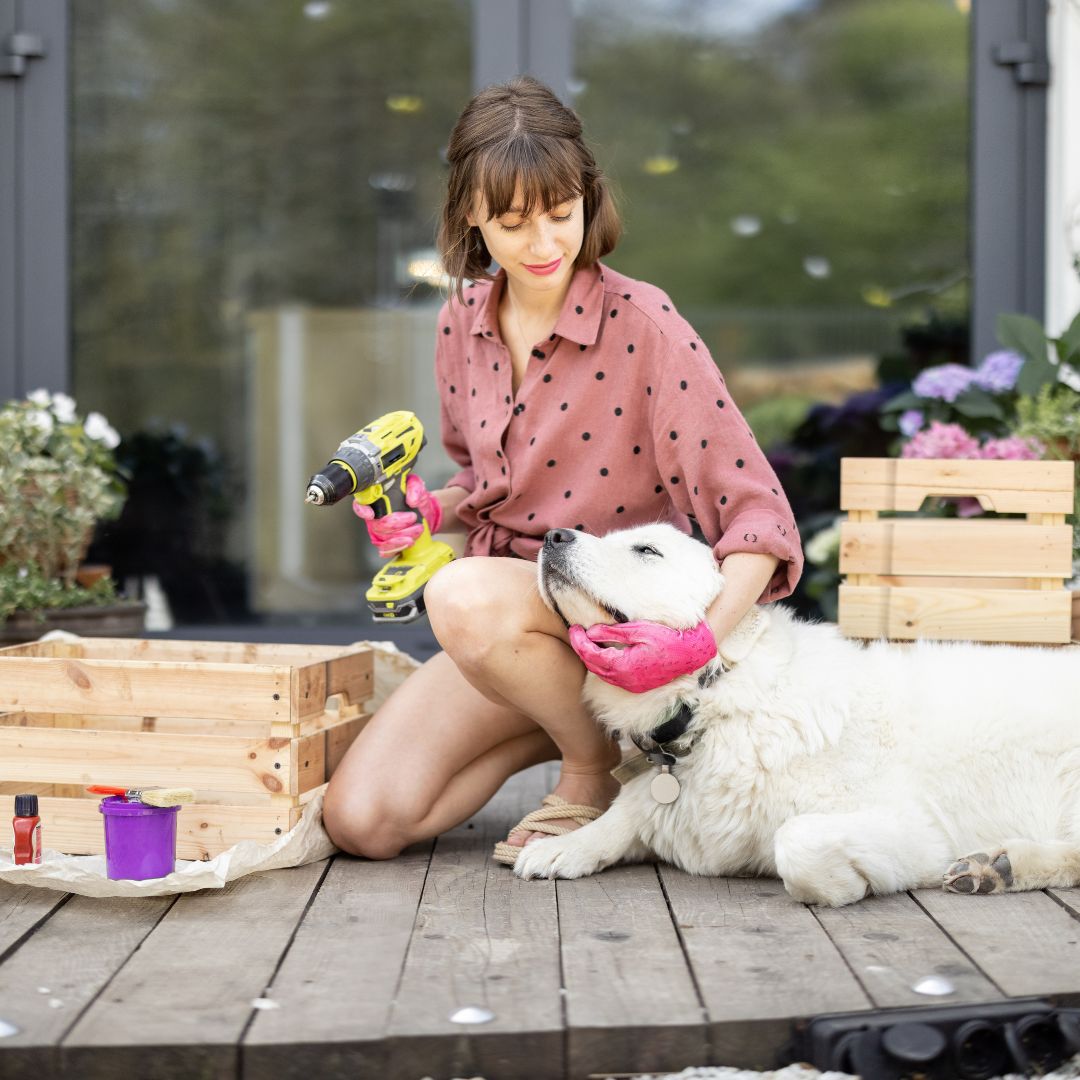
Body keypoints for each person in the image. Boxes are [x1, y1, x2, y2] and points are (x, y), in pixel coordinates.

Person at [321, 76, 803, 864]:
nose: (543, 245)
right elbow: (483, 488)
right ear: (471, 214)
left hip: (616, 637)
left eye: (560, 215)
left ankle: (596, 765)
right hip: (516, 637)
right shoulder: (461, 323)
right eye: (513, 223)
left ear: (589, 199)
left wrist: (697, 647)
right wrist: (432, 514)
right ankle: (567, 730)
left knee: (462, 594)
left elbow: (759, 519)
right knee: (365, 822)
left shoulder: (647, 326)